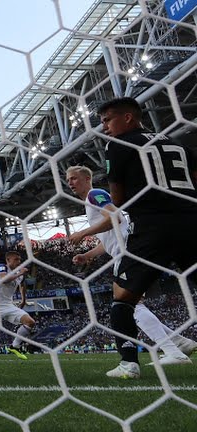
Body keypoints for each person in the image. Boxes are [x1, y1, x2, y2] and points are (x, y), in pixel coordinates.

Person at [97, 97, 197, 378]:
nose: (104, 127)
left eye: (108, 120)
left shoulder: (118, 145)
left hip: (152, 227)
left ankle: (129, 364)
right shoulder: (177, 143)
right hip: (191, 221)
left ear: (128, 118)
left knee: (123, 298)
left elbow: (118, 199)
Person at [66, 165, 197, 365]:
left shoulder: (95, 194)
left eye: (74, 178)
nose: (70, 183)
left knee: (126, 305)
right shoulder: (90, 202)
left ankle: (173, 352)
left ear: (86, 178)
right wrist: (87, 255)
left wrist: (83, 233)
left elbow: (115, 218)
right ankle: (179, 343)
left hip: (128, 252)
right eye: (68, 180)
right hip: (126, 251)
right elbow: (109, 238)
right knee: (131, 304)